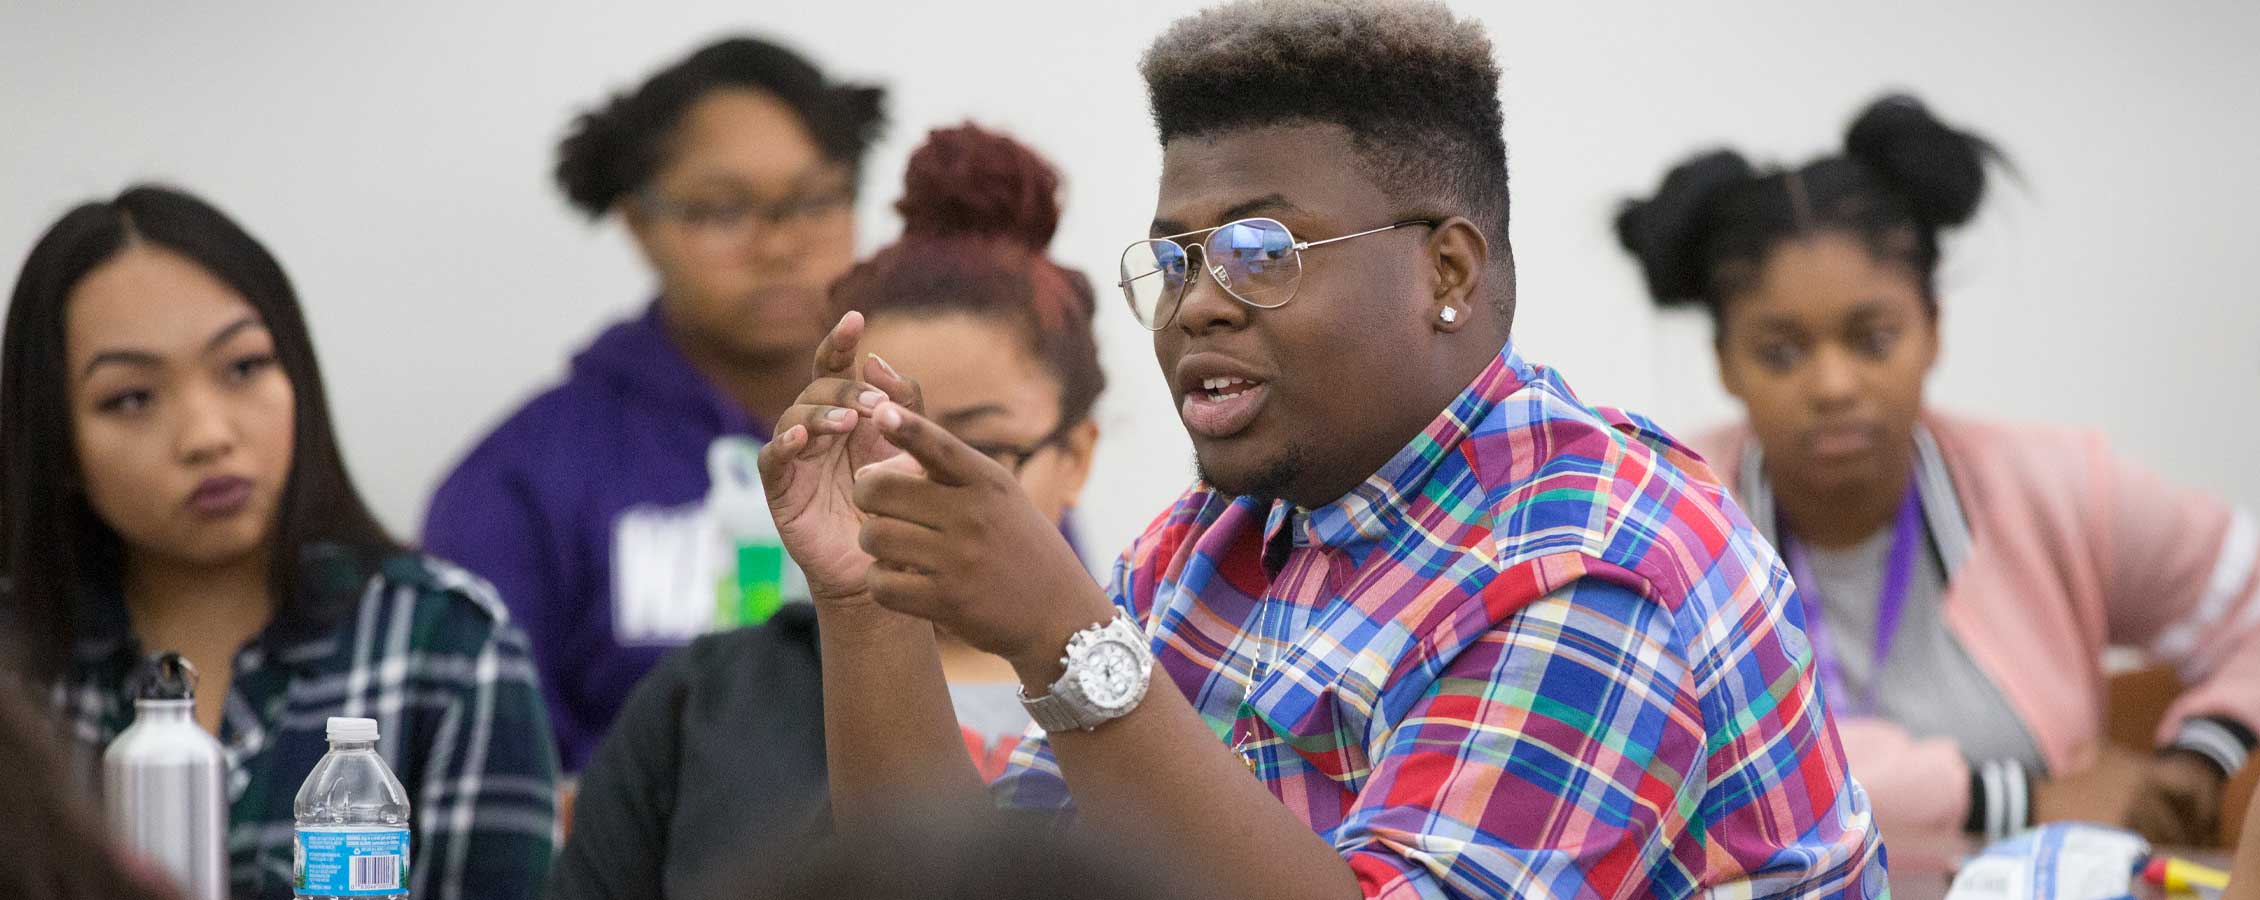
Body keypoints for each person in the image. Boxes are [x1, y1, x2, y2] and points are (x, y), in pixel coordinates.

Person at [757, 2, 1885, 897]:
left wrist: (1066, 637)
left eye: (1260, 250)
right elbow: (958, 882)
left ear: (1446, 271)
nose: (1197, 305)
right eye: (1177, 259)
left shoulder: (1591, 568)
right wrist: (870, 608)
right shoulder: (1208, 547)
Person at [1617, 94, 2260, 856]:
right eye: (1781, 352)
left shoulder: (2056, 488)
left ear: (1933, 330)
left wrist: (2204, 756)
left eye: (1874, 338)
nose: (1832, 385)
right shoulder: (1657, 519)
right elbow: (1685, 764)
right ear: (1724, 363)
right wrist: (2008, 798)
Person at [547, 124, 1104, 900]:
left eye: (981, 448)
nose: (924, 480)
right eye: (887, 438)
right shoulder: (705, 703)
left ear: (1076, 454)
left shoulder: (1168, 682)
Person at [0, 185, 558, 899]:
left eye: (244, 367)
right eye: (131, 398)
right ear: (58, 448)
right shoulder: (13, 665)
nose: (207, 435)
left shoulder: (445, 642)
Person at [422, 36, 887, 773]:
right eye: (722, 210)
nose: (780, 245)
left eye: (815, 200)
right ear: (639, 223)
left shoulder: (931, 431)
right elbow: (497, 764)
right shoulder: (519, 479)